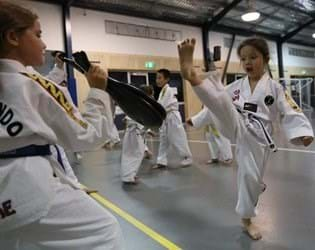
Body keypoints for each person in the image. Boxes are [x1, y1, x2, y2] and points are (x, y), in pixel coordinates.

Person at [0, 2, 123, 249]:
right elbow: (86, 136)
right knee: (105, 231)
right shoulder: (32, 84)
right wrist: (98, 91)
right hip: (27, 188)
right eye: (38, 34)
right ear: (13, 37)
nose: (44, 45)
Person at [178, 37, 314, 240]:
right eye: (243, 59)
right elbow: (216, 107)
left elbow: (289, 109)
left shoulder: (275, 88)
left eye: (253, 57)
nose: (248, 62)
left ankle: (256, 186)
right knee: (222, 99)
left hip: (259, 139)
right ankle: (192, 77)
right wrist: (196, 120)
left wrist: (303, 132)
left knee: (250, 178)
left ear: (265, 59)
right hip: (238, 126)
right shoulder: (236, 86)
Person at [153, 68, 193, 169]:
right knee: (163, 139)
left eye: (160, 78)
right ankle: (161, 161)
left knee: (177, 138)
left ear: (166, 79)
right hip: (165, 118)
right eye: (156, 78)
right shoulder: (162, 91)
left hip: (172, 117)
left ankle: (187, 157)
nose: (157, 80)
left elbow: (162, 106)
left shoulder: (169, 90)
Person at [120, 85, 153, 184]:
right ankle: (129, 177)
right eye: (151, 95)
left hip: (131, 132)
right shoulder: (141, 104)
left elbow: (127, 119)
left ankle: (128, 176)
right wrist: (148, 130)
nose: (152, 97)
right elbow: (138, 120)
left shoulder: (135, 102)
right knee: (136, 154)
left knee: (129, 154)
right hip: (135, 132)